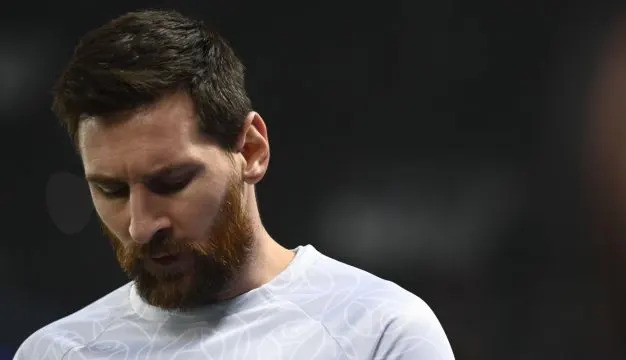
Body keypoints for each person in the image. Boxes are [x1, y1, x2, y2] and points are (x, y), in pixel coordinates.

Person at [13, 9, 454, 360]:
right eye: (111, 190)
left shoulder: (378, 332)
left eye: (172, 182)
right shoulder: (55, 352)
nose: (140, 227)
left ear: (250, 150)